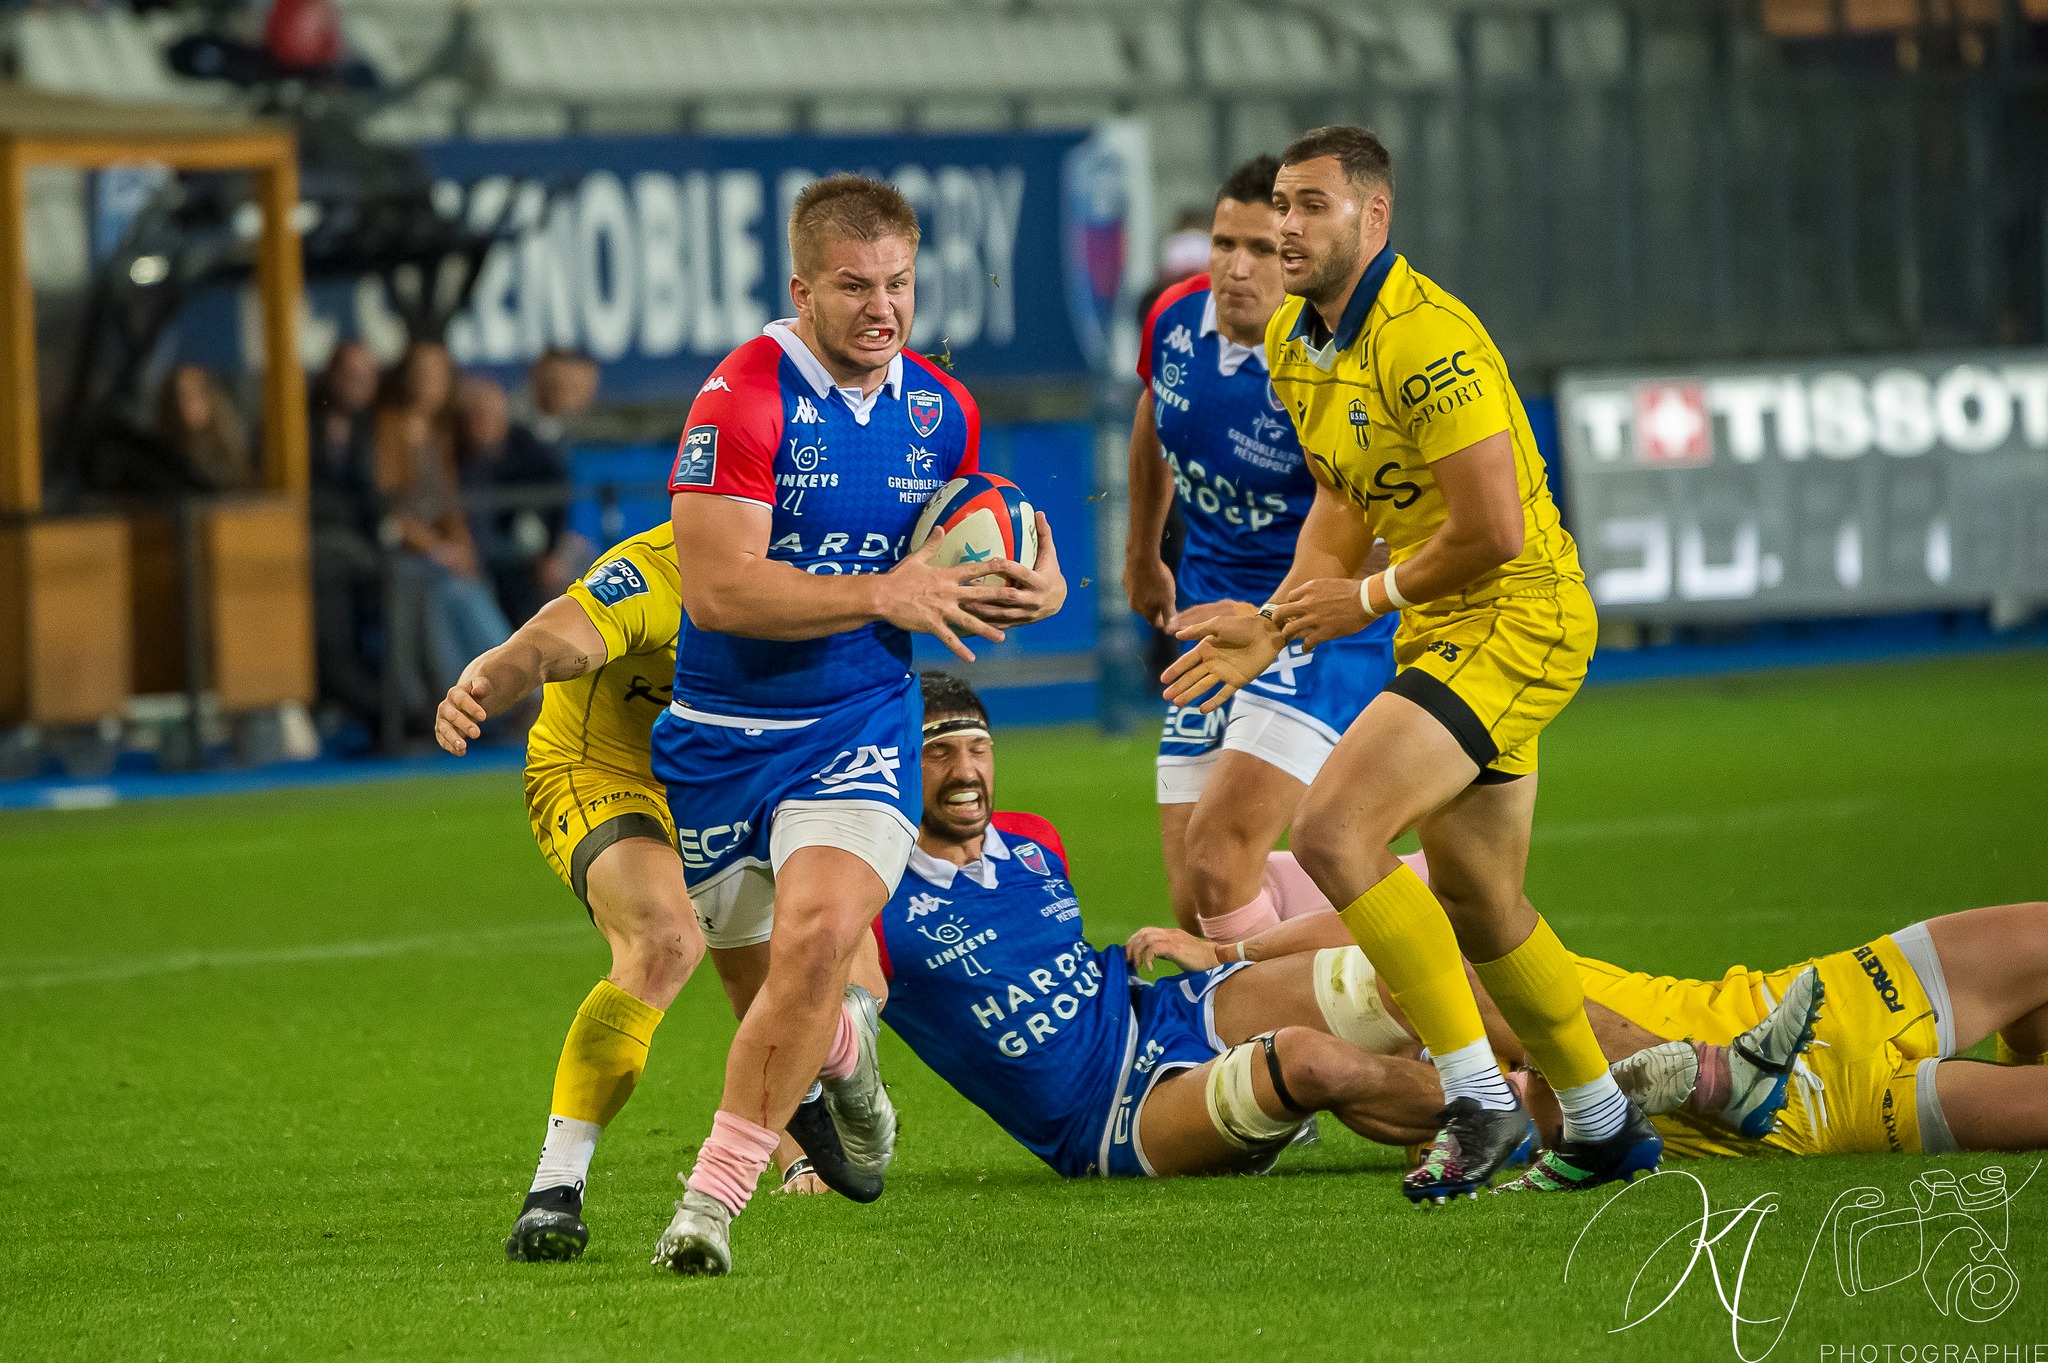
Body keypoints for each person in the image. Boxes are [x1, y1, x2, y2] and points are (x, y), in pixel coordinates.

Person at [1162, 125, 1655, 1201]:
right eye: (1277, 205)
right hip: (1446, 627)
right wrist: (1278, 620)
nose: (1285, 227)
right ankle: (1601, 1118)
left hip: (1518, 615)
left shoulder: (1428, 340)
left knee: (1335, 827)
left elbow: (1492, 530)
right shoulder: (1296, 341)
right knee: (1480, 902)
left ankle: (1474, 1095)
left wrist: (1364, 601)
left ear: (1371, 219)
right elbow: (1342, 497)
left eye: (1309, 208)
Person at [876, 674, 1817, 1180]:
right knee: (1309, 1060)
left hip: (1162, 1012)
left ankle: (1708, 1075)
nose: (965, 771)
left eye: (978, 747)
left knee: (1410, 967)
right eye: (938, 754)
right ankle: (1566, 1111)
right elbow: (816, 1000)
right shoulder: (876, 896)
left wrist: (1218, 951)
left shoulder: (1033, 843)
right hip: (1105, 1119)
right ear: (896, 769)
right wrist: (807, 1147)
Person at [648, 174, 1067, 1276]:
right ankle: (847, 1056)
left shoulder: (941, 409)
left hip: (857, 726)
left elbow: (984, 540)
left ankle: (709, 1201)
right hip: (718, 739)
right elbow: (718, 593)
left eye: (899, 283)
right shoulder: (739, 400)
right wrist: (887, 592)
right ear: (801, 287)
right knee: (782, 994)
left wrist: (1037, 586)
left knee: (820, 936)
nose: (881, 308)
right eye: (852, 286)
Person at [432, 525, 896, 1262]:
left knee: (846, 970)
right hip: (606, 771)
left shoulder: (830, 566)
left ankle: (821, 1082)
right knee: (664, 941)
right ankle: (555, 1189)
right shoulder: (656, 574)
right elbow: (554, 637)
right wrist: (494, 676)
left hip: (735, 780)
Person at [1132, 886, 2048, 1160]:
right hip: (1818, 1110)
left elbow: (1386, 922)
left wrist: (1231, 956)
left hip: (1804, 1000)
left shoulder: (1439, 983)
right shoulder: (1452, 1085)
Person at [1123, 154, 1397, 941]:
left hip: (1308, 633)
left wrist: (1296, 615)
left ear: (1294, 255)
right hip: (1209, 619)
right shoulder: (1174, 321)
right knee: (1196, 896)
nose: (1236, 269)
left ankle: (1272, 1047)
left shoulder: (1325, 366)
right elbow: (1155, 415)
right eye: (1222, 244)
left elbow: (1372, 531)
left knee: (1221, 855)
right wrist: (1145, 552)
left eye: (1261, 250)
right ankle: (1408, 903)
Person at [375, 341, 511, 708]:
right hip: (404, 550)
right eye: (422, 375)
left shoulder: (440, 434)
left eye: (438, 376)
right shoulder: (388, 429)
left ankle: (494, 685)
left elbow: (449, 506)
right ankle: (476, 692)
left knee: (469, 582)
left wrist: (462, 550)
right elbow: (390, 512)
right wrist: (439, 550)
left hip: (440, 552)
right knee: (443, 591)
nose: (429, 384)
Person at [307, 340, 386, 728]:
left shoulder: (373, 429)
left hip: (367, 545)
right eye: (351, 375)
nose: (359, 385)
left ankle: (393, 704)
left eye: (367, 377)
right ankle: (362, 702)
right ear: (332, 374)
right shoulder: (300, 420)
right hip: (315, 543)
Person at [157, 363, 256, 491]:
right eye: (184, 395)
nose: (192, 403)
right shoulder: (161, 461)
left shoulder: (230, 449)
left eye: (198, 392)